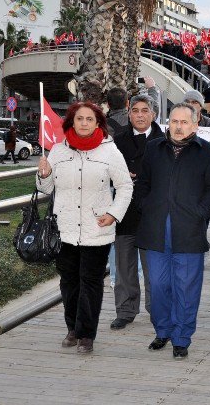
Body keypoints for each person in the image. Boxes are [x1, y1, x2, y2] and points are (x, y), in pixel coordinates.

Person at [36, 102, 133, 354]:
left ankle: (86, 334)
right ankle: (72, 328)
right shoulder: (57, 151)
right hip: (64, 229)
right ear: (71, 122)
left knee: (90, 282)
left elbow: (124, 186)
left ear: (98, 123)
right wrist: (43, 174)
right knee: (69, 282)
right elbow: (45, 190)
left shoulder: (109, 151)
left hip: (96, 229)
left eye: (90, 119)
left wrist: (113, 214)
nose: (84, 123)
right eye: (80, 119)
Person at [135, 103, 210, 360]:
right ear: (167, 123)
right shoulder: (153, 149)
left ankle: (182, 338)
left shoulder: (206, 152)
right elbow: (143, 183)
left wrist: (200, 211)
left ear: (195, 125)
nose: (178, 126)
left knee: (186, 288)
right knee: (159, 285)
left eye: (184, 122)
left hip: (189, 229)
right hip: (155, 228)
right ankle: (163, 331)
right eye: (174, 121)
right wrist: (146, 205)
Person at [110, 95, 164, 330]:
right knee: (124, 265)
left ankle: (157, 309)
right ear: (128, 113)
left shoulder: (166, 140)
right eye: (135, 111)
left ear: (153, 114)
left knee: (155, 268)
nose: (140, 115)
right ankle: (125, 309)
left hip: (153, 213)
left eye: (145, 110)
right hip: (124, 212)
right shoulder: (117, 140)